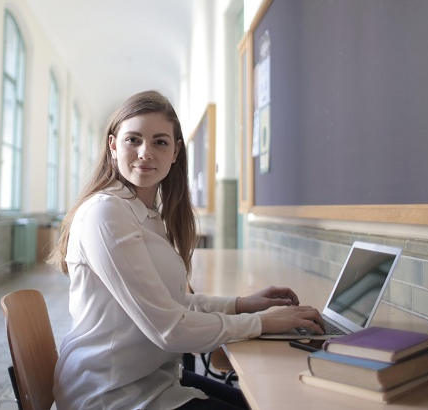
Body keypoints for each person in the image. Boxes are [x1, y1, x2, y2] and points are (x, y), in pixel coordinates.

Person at [49, 90, 324, 410]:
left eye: (160, 142)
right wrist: (264, 322)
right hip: (110, 395)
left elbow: (171, 304)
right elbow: (170, 330)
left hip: (151, 380)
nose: (145, 152)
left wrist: (242, 304)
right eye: (133, 140)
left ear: (176, 151)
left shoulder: (146, 215)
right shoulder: (106, 213)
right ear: (113, 145)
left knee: (264, 399)